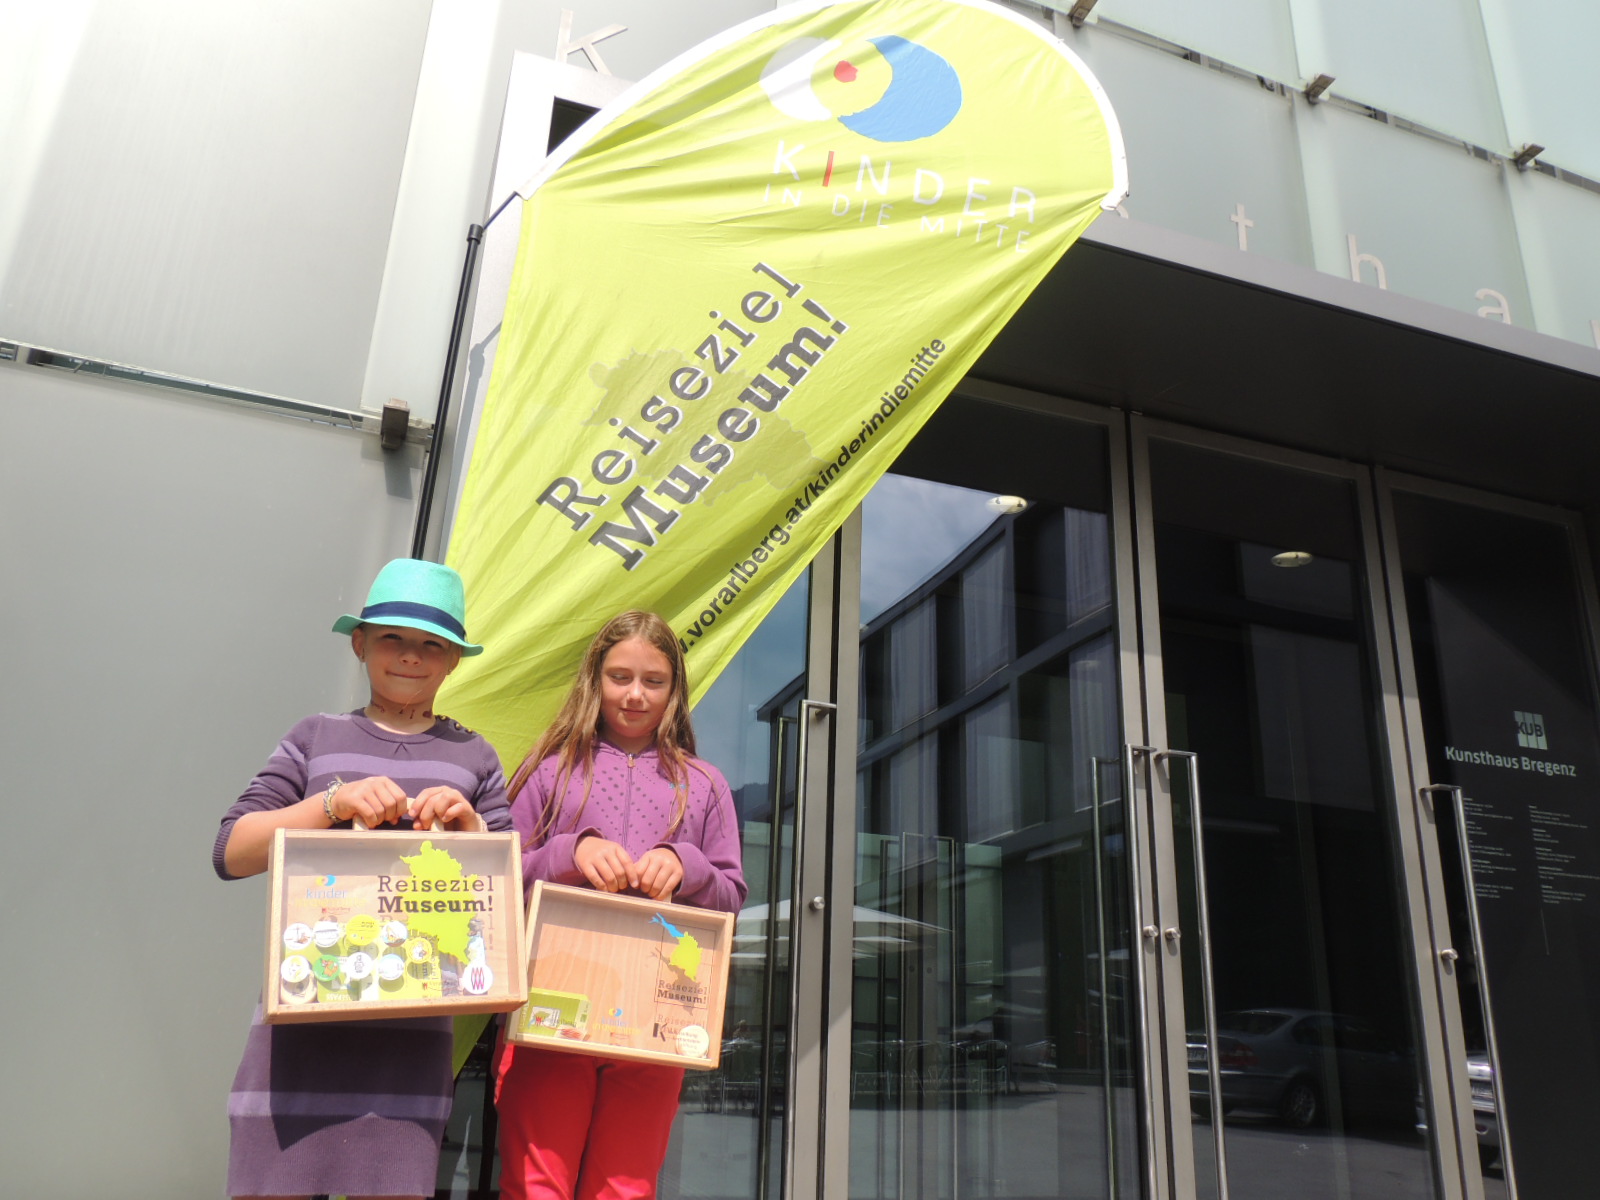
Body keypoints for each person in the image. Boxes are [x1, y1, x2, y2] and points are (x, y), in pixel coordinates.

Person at [213, 557, 512, 1200]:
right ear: (359, 644)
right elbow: (232, 851)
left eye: (432, 644)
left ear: (454, 661)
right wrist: (330, 802)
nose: (410, 656)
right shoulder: (314, 737)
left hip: (408, 1052)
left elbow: (505, 907)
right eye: (392, 638)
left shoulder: (476, 757)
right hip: (297, 1033)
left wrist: (471, 831)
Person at [496, 611, 746, 1200]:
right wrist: (568, 852)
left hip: (656, 1013)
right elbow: (497, 880)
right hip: (551, 1004)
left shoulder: (705, 785)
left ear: (674, 690)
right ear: (594, 679)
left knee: (626, 1188)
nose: (635, 695)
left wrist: (689, 866)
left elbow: (731, 896)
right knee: (535, 1185)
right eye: (620, 677)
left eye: (653, 681)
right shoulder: (548, 770)